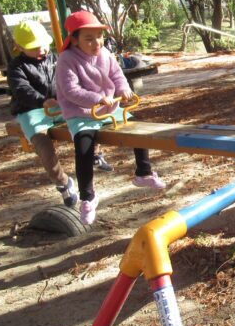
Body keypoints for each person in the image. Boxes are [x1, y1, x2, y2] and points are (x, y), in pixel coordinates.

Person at [55, 11, 166, 225]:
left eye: (99, 36)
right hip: (81, 112)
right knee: (84, 146)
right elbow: (70, 90)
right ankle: (87, 197)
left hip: (108, 108)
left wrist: (123, 89)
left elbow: (117, 75)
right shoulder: (66, 60)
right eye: (89, 38)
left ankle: (144, 172)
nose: (96, 42)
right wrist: (97, 99)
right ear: (75, 40)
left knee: (137, 128)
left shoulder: (105, 53)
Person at [6, 21, 78, 207]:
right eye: (34, 47)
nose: (41, 50)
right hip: (31, 109)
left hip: (57, 105)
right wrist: (42, 101)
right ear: (20, 47)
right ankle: (62, 182)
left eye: (44, 45)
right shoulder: (17, 67)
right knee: (42, 144)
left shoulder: (56, 59)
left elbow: (68, 78)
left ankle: (95, 153)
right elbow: (21, 89)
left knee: (85, 118)